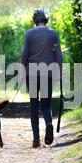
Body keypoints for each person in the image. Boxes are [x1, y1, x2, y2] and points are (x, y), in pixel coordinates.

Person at [21, 9, 63, 148]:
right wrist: (59, 73)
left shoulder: (29, 33)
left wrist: (22, 68)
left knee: (34, 105)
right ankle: (49, 123)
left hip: (32, 73)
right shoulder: (53, 34)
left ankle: (36, 139)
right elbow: (59, 55)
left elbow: (25, 54)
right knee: (46, 104)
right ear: (46, 19)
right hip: (48, 73)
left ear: (35, 20)